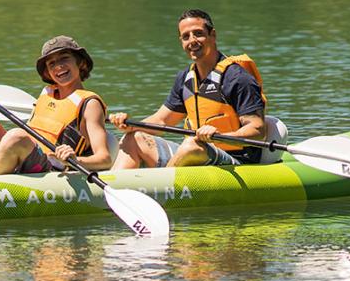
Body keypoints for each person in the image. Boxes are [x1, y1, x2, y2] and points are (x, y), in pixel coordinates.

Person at [109, 9, 266, 168]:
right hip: (196, 153)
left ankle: (165, 187)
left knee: (191, 144)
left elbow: (258, 129)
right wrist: (130, 125)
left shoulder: (237, 78)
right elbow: (162, 120)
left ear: (213, 35)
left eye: (198, 33)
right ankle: (109, 188)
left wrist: (219, 137)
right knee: (133, 138)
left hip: (237, 161)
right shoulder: (185, 79)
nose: (192, 40)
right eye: (186, 36)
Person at [0, 36, 112, 178]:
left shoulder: (90, 104)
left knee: (17, 136)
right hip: (19, 162)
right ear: (47, 72)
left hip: (48, 171)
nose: (58, 66)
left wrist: (74, 160)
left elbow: (105, 159)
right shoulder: (46, 96)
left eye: (64, 58)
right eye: (51, 63)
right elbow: (10, 146)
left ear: (80, 63)